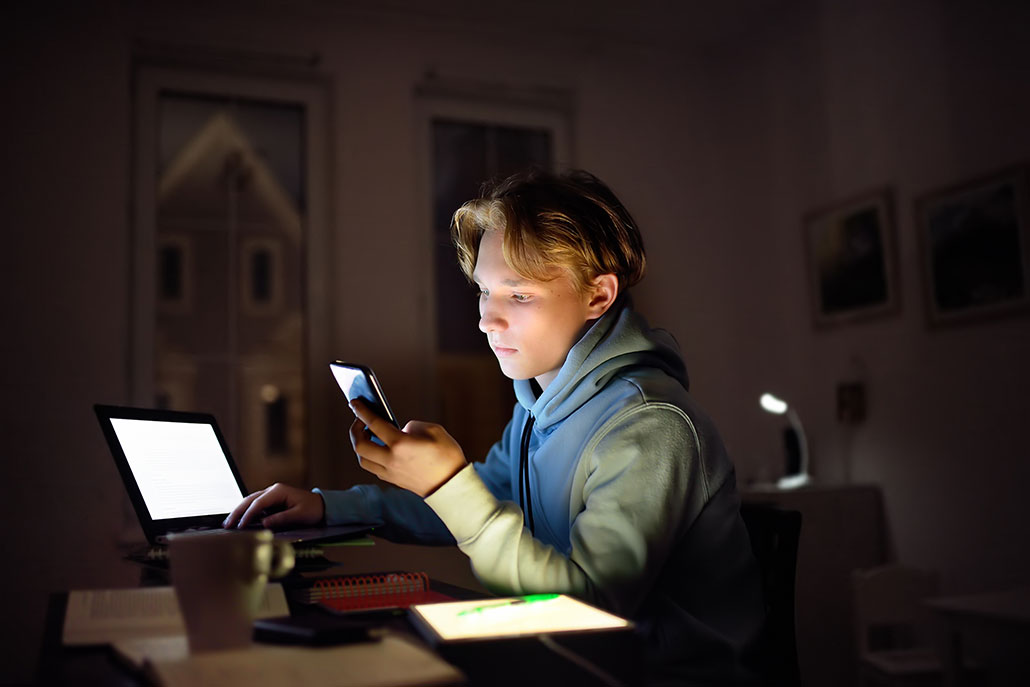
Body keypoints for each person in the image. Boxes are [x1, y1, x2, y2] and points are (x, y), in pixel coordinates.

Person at [226, 169, 765, 685]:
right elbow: (481, 498)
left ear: (598, 295)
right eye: (484, 291)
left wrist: (446, 483)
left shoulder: (649, 427)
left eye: (519, 294)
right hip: (575, 664)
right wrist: (329, 507)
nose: (486, 319)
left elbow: (585, 608)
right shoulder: (540, 405)